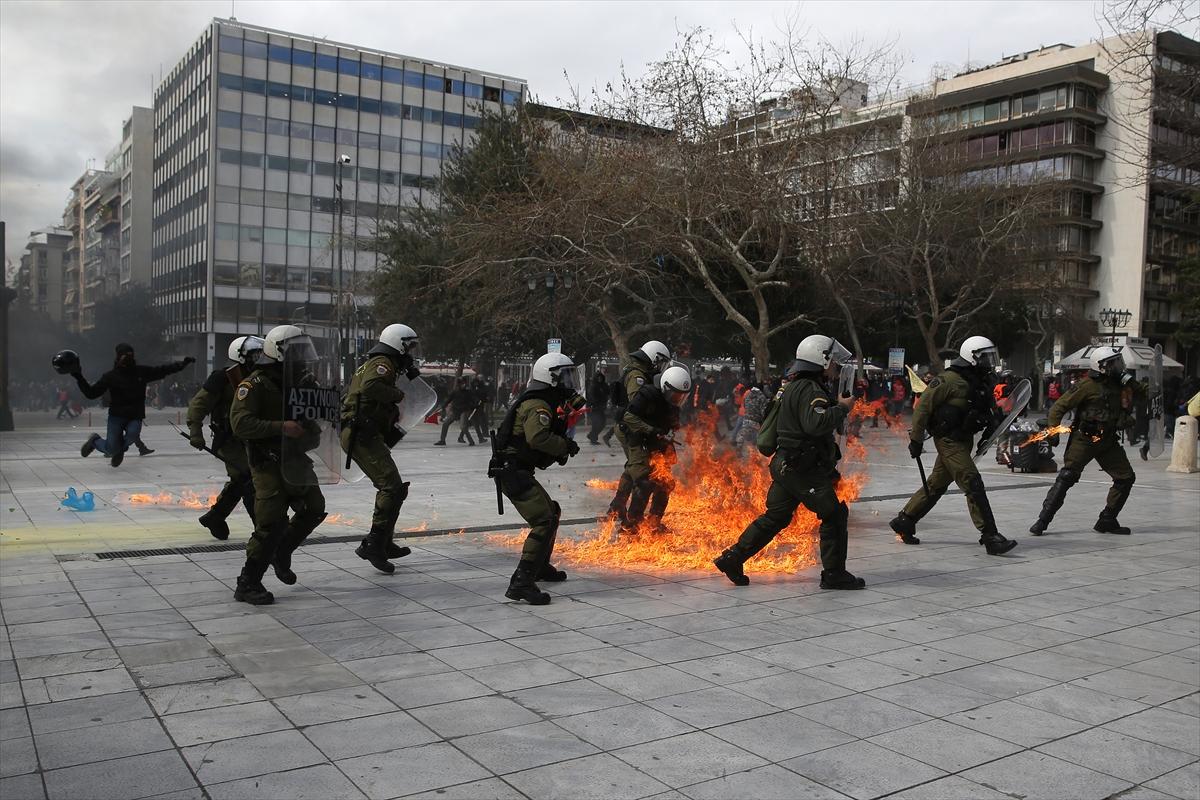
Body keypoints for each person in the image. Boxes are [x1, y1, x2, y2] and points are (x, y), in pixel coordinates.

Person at [714, 335, 865, 590]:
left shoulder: (791, 386)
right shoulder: (811, 389)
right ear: (821, 359)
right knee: (835, 514)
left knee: (776, 517)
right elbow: (814, 423)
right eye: (832, 362)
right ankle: (834, 574)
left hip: (787, 464)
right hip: (803, 469)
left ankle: (733, 558)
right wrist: (841, 408)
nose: (835, 367)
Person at [888, 336, 1018, 555]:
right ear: (972, 356)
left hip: (964, 439)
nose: (989, 361)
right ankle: (990, 536)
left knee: (937, 484)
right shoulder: (948, 379)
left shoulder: (983, 380)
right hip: (949, 440)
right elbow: (922, 409)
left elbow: (987, 410)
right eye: (985, 356)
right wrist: (916, 440)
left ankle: (905, 520)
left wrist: (993, 423)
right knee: (972, 482)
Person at [228, 325, 329, 605]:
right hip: (267, 463)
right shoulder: (255, 384)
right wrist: (280, 427)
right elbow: (240, 423)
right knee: (270, 523)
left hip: (296, 459)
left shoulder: (303, 382)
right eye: (296, 351)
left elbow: (313, 418)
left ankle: (282, 552)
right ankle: (248, 582)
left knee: (314, 508)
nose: (302, 357)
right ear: (279, 352)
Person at [489, 352, 583, 605]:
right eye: (565, 376)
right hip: (513, 472)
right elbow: (537, 438)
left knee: (552, 511)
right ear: (551, 378)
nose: (569, 382)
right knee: (544, 519)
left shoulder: (544, 402)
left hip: (518, 470)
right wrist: (563, 446)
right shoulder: (538, 405)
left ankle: (540, 567)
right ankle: (521, 581)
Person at [1029, 346, 1144, 536]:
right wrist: (1053, 432)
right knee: (1067, 477)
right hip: (1085, 439)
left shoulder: (1120, 384)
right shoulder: (1086, 385)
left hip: (1108, 440)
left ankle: (1107, 519)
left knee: (1125, 477)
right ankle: (1042, 521)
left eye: (1118, 362)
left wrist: (1134, 382)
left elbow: (1143, 395)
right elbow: (1058, 407)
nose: (1118, 366)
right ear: (1102, 366)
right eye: (1114, 363)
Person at [341, 323, 422, 574]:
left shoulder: (382, 362)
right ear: (398, 344)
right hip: (360, 434)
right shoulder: (383, 363)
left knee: (395, 489)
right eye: (408, 346)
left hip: (365, 432)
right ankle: (374, 545)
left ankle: (384, 542)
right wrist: (397, 395)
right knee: (391, 486)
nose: (410, 351)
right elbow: (370, 388)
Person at [187, 335, 264, 540]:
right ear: (240, 356)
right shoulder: (222, 378)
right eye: (253, 354)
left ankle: (215, 516)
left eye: (260, 354)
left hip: (253, 439)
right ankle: (263, 529)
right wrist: (196, 432)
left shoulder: (259, 376)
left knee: (241, 480)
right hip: (230, 440)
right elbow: (198, 405)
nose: (258, 358)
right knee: (248, 480)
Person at [66, 344, 193, 468]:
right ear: (118, 358)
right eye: (124, 356)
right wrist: (78, 376)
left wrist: (181, 365)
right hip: (117, 416)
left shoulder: (141, 372)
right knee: (110, 450)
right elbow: (91, 393)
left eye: (130, 355)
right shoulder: (110, 376)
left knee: (132, 434)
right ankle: (94, 441)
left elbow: (162, 370)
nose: (127, 358)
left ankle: (119, 450)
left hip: (135, 415)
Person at [619, 365, 692, 532]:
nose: (678, 398)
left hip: (660, 444)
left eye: (681, 395)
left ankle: (654, 521)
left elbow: (671, 418)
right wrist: (651, 430)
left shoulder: (673, 402)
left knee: (666, 483)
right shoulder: (647, 394)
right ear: (665, 387)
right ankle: (631, 524)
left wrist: (674, 426)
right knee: (645, 482)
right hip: (642, 442)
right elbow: (629, 417)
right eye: (675, 394)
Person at [608, 340, 672, 522]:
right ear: (654, 358)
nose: (661, 367)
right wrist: (651, 428)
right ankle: (631, 520)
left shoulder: (639, 371)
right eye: (660, 362)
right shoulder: (638, 375)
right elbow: (636, 406)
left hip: (631, 426)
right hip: (631, 428)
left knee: (632, 467)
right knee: (642, 472)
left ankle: (616, 507)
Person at [435, 378, 478, 446]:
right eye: (461, 383)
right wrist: (444, 406)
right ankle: (442, 440)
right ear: (459, 384)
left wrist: (473, 405)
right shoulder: (455, 391)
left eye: (464, 383)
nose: (463, 385)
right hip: (455, 411)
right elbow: (449, 399)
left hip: (463, 411)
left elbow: (473, 400)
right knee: (445, 423)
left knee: (463, 427)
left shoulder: (468, 392)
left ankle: (471, 441)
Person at [586, 371, 610, 445]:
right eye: (598, 377)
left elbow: (608, 392)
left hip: (601, 408)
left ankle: (591, 435)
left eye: (601, 377)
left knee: (602, 423)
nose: (599, 379)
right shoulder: (593, 386)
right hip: (594, 408)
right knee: (596, 424)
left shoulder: (604, 385)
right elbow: (591, 397)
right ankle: (593, 439)